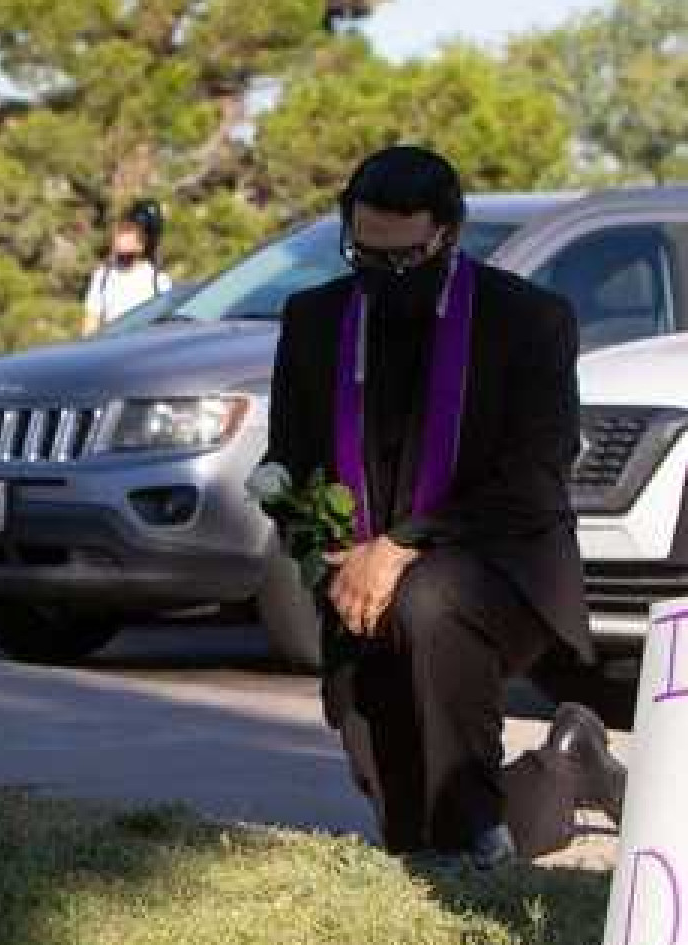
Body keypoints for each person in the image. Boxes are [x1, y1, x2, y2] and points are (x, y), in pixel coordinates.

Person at [261, 146, 625, 867]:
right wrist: (329, 548)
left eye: (405, 261)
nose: (384, 279)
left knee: (428, 599)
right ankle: (568, 766)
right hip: (359, 578)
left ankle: (472, 848)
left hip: (501, 572)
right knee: (408, 821)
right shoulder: (313, 320)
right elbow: (286, 463)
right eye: (365, 256)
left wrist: (397, 547)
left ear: (448, 236)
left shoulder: (528, 322)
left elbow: (532, 480)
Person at [82, 201, 172, 335]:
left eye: (131, 232)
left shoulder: (159, 281)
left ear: (145, 242)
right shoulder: (103, 276)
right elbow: (90, 325)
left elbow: (165, 328)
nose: (123, 236)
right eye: (124, 230)